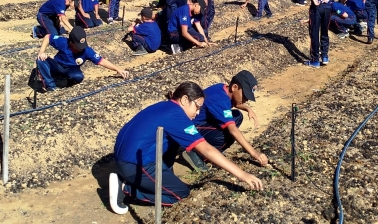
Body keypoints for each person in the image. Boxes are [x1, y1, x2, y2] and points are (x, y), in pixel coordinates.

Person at [109, 81, 263, 213]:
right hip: (135, 164)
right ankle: (126, 189)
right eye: (197, 107)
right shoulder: (178, 117)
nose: (197, 113)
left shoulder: (167, 106)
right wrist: (243, 175)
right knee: (180, 193)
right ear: (184, 99)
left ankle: (150, 176)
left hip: (127, 155)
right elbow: (206, 149)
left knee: (173, 142)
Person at [181, 70, 269, 172]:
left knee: (237, 116)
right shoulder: (220, 100)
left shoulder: (223, 89)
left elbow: (234, 103)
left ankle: (210, 149)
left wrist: (247, 108)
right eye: (245, 95)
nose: (246, 100)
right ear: (234, 87)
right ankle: (197, 153)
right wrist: (254, 153)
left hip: (200, 124)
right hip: (190, 130)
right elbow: (233, 130)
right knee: (229, 134)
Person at [36, 26, 130, 91]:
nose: (81, 48)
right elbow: (48, 37)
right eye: (78, 46)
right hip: (57, 65)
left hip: (71, 69)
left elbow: (102, 61)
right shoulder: (63, 42)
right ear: (71, 42)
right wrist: (42, 52)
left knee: (78, 77)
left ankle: (64, 81)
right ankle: (50, 86)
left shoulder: (87, 50)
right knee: (40, 60)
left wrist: (118, 69)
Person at [304, 0, 341, 67]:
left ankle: (315, 60)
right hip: (328, 7)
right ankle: (324, 56)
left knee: (314, 32)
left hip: (316, 7)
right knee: (324, 31)